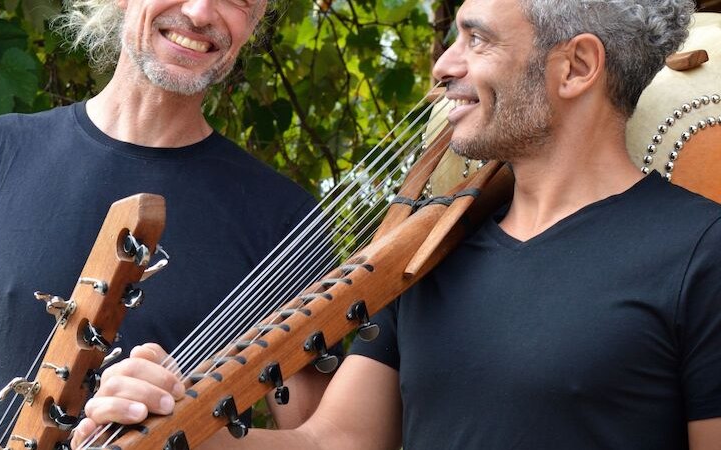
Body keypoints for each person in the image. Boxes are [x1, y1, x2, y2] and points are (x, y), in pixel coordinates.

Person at [73, 0, 721, 449]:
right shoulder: (428, 250)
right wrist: (171, 424)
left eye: (478, 38)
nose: (443, 65)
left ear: (576, 67)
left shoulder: (701, 253)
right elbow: (333, 443)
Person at [0, 0, 335, 448]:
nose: (199, 13)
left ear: (255, 21)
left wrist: (186, 429)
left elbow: (316, 438)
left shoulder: (284, 219)